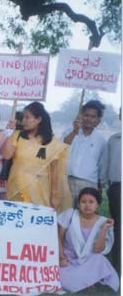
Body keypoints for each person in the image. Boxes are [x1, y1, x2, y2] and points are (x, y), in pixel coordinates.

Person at [2, 101, 71, 212]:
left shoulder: (51, 142)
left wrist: (54, 195)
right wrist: (9, 133)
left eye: (27, 117)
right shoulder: (17, 135)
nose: (23, 121)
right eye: (23, 117)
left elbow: (55, 171)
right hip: (16, 188)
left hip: (39, 190)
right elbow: (6, 155)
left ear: (38, 120)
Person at [58, 188, 119, 292]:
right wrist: (61, 258)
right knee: (61, 278)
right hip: (68, 258)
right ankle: (88, 279)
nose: (87, 205)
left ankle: (84, 279)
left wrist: (104, 228)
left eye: (91, 202)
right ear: (78, 204)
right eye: (83, 202)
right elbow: (59, 238)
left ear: (97, 204)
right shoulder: (70, 214)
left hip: (89, 259)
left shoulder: (103, 221)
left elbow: (97, 250)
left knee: (99, 259)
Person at [61, 100, 106, 205]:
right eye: (86, 115)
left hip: (88, 184)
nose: (88, 119)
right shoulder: (69, 132)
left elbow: (101, 165)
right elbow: (61, 148)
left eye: (92, 116)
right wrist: (74, 132)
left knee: (84, 216)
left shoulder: (101, 141)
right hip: (66, 180)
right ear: (81, 115)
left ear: (98, 120)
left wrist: (100, 186)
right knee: (64, 214)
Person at [101, 119, 121, 275]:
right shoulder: (114, 139)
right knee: (118, 227)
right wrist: (106, 184)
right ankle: (117, 267)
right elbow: (106, 164)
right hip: (117, 188)